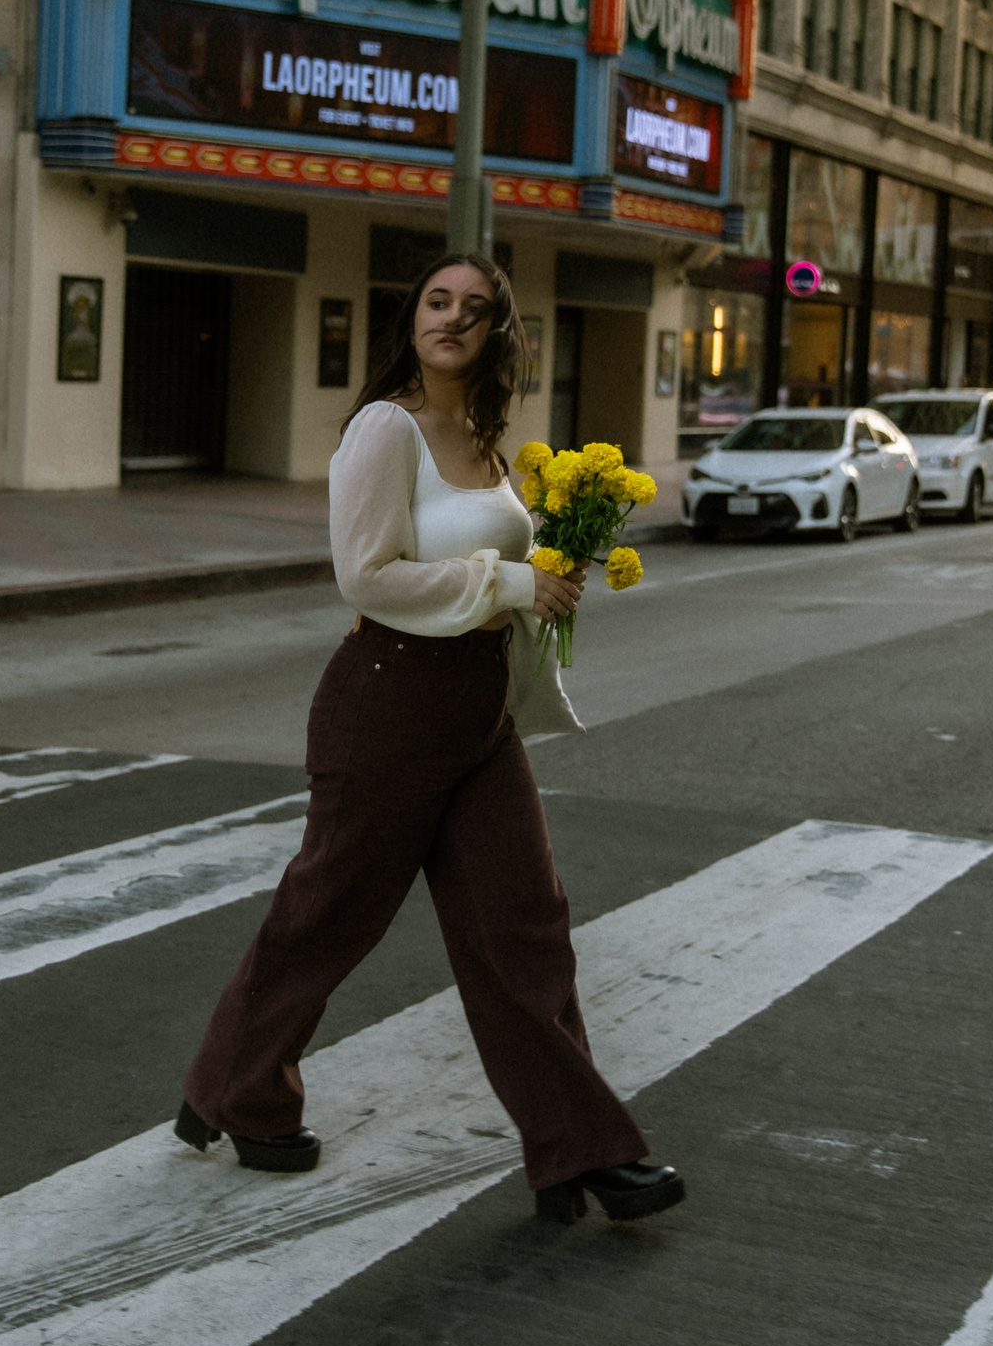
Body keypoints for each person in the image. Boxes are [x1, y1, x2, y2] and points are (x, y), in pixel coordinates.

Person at [173, 252, 685, 1226]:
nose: (450, 318)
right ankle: (237, 1088)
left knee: (525, 926)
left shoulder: (486, 439)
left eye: (473, 308)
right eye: (435, 302)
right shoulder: (385, 426)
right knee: (330, 916)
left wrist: (550, 572)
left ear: (498, 333)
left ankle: (579, 1150)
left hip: (478, 709)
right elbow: (365, 575)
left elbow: (486, 562)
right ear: (410, 317)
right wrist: (512, 583)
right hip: (390, 700)